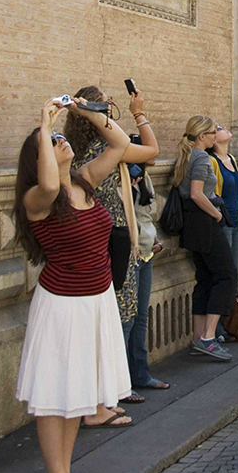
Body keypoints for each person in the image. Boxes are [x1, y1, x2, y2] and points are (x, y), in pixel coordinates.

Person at [14, 99, 133, 473]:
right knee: (54, 394)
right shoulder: (38, 198)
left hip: (95, 300)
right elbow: (49, 185)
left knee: (77, 391)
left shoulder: (84, 180)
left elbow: (117, 144)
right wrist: (43, 124)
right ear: (39, 157)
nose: (61, 141)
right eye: (52, 142)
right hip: (62, 305)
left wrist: (86, 111)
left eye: (62, 137)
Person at [65, 86, 158, 407]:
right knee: (123, 313)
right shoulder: (103, 148)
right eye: (104, 102)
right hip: (112, 236)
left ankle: (129, 379)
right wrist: (138, 112)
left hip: (106, 235)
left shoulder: (77, 148)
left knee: (125, 312)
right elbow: (151, 149)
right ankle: (116, 386)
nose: (110, 105)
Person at [173, 116, 236, 359]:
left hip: (192, 223)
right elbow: (198, 194)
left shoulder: (188, 155)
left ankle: (198, 338)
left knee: (205, 278)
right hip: (204, 220)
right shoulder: (200, 156)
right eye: (212, 133)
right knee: (226, 275)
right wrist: (217, 216)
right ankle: (209, 337)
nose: (214, 136)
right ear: (201, 136)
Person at [127, 136, 169, 391]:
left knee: (141, 316)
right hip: (130, 256)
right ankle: (122, 381)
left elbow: (146, 216)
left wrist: (154, 240)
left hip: (147, 253)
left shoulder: (146, 177)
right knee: (127, 320)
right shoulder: (123, 179)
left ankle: (141, 374)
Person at [206, 125, 238, 273]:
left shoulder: (232, 159)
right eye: (219, 128)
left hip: (237, 220)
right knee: (225, 270)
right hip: (223, 222)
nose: (224, 128)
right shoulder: (212, 161)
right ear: (214, 139)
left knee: (237, 269)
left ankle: (235, 297)